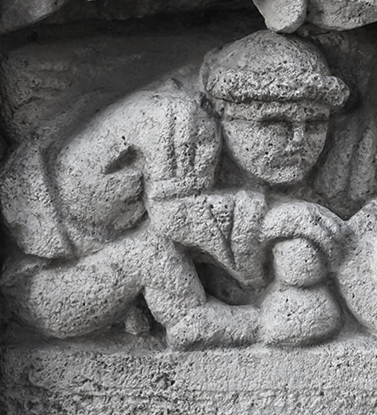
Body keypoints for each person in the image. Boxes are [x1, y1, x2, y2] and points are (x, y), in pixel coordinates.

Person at [1, 31, 349, 348]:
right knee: (153, 248)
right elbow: (174, 217)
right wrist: (276, 217)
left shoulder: (208, 136)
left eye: (315, 123)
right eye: (275, 123)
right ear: (223, 108)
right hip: (53, 289)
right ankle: (197, 321)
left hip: (109, 278)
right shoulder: (178, 118)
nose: (297, 142)